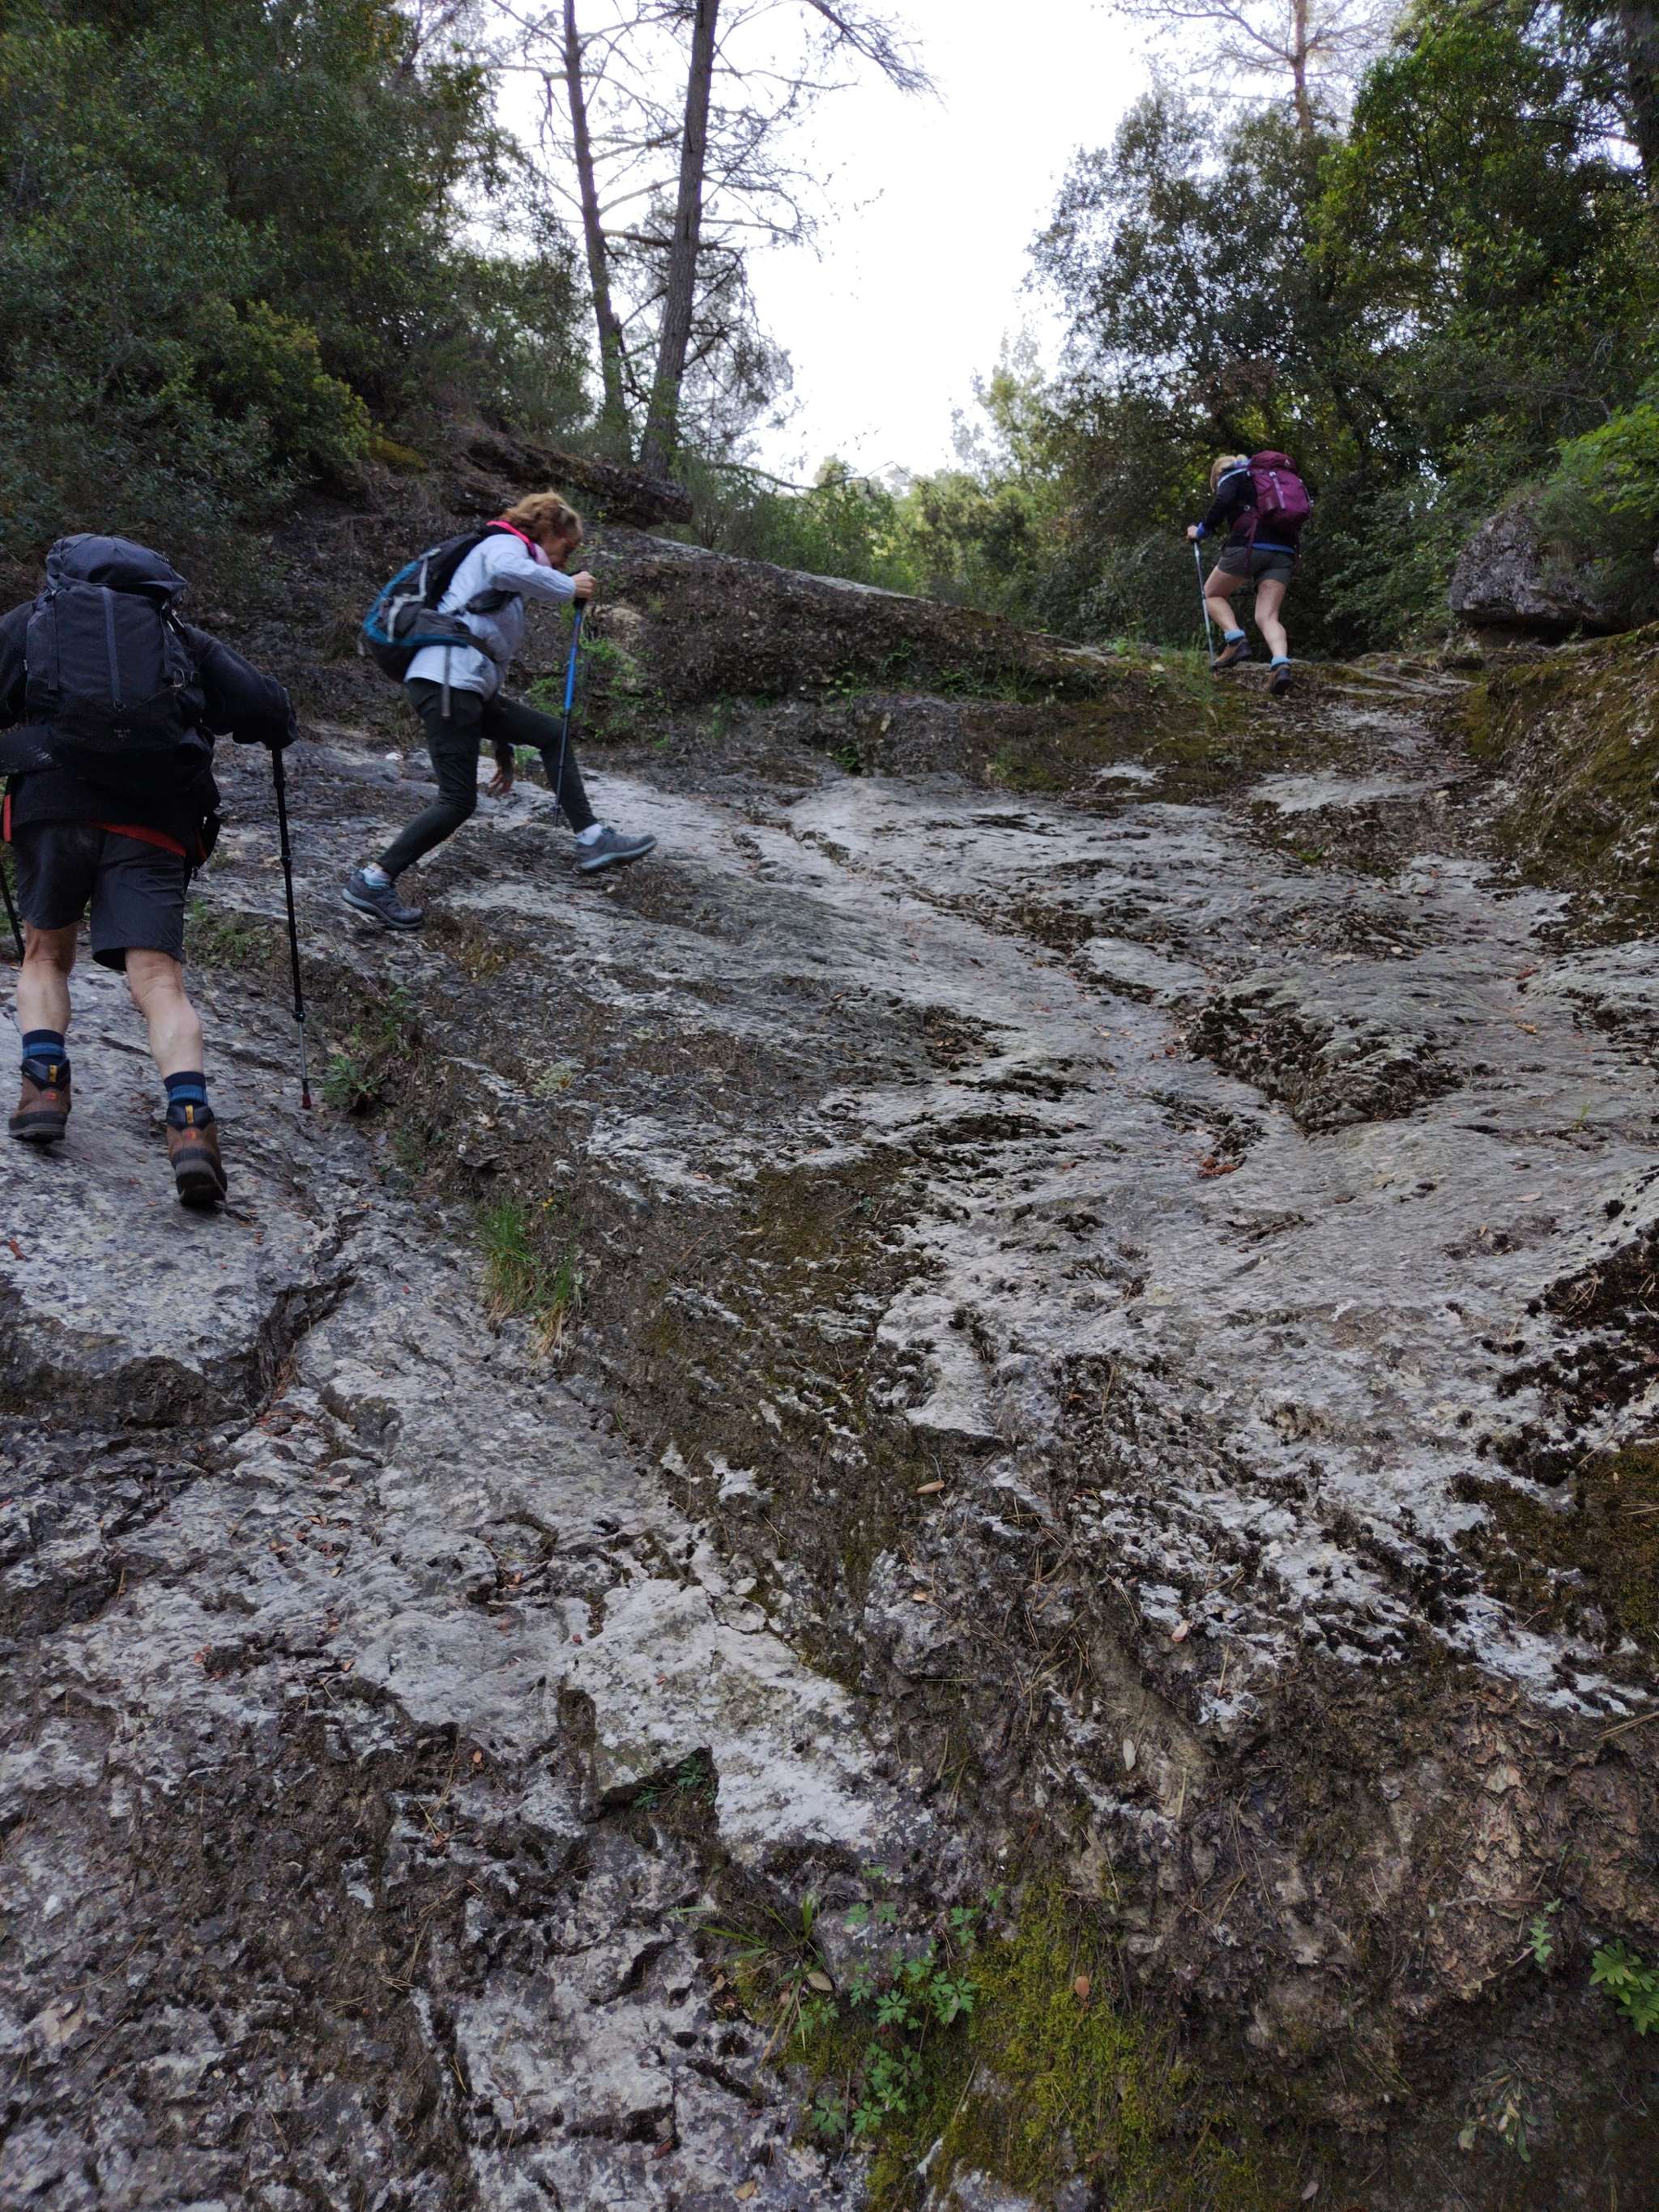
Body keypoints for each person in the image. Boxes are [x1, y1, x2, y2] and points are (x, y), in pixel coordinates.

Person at [0, 533, 297, 1207]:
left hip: (53, 805)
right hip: (155, 819)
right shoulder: (178, 637)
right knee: (159, 979)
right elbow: (267, 709)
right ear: (154, 586)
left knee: (45, 954)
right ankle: (190, 1125)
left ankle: (44, 1086)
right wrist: (275, 722)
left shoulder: (33, 623)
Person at [343, 491, 655, 931]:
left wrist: (503, 747)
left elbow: (485, 654)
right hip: (447, 682)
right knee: (456, 801)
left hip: (461, 685)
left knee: (551, 733)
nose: (565, 561)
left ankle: (592, 838)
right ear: (547, 531)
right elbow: (504, 572)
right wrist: (569, 587)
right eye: (566, 548)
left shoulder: (511, 566)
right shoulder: (505, 545)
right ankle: (373, 880)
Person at [1186, 451, 1311, 696]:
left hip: (1249, 545)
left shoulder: (1231, 475)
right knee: (1268, 616)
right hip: (1284, 550)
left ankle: (1235, 639)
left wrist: (1200, 531)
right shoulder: (1270, 479)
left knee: (1212, 594)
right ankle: (1280, 664)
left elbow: (1222, 502)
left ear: (1218, 475)